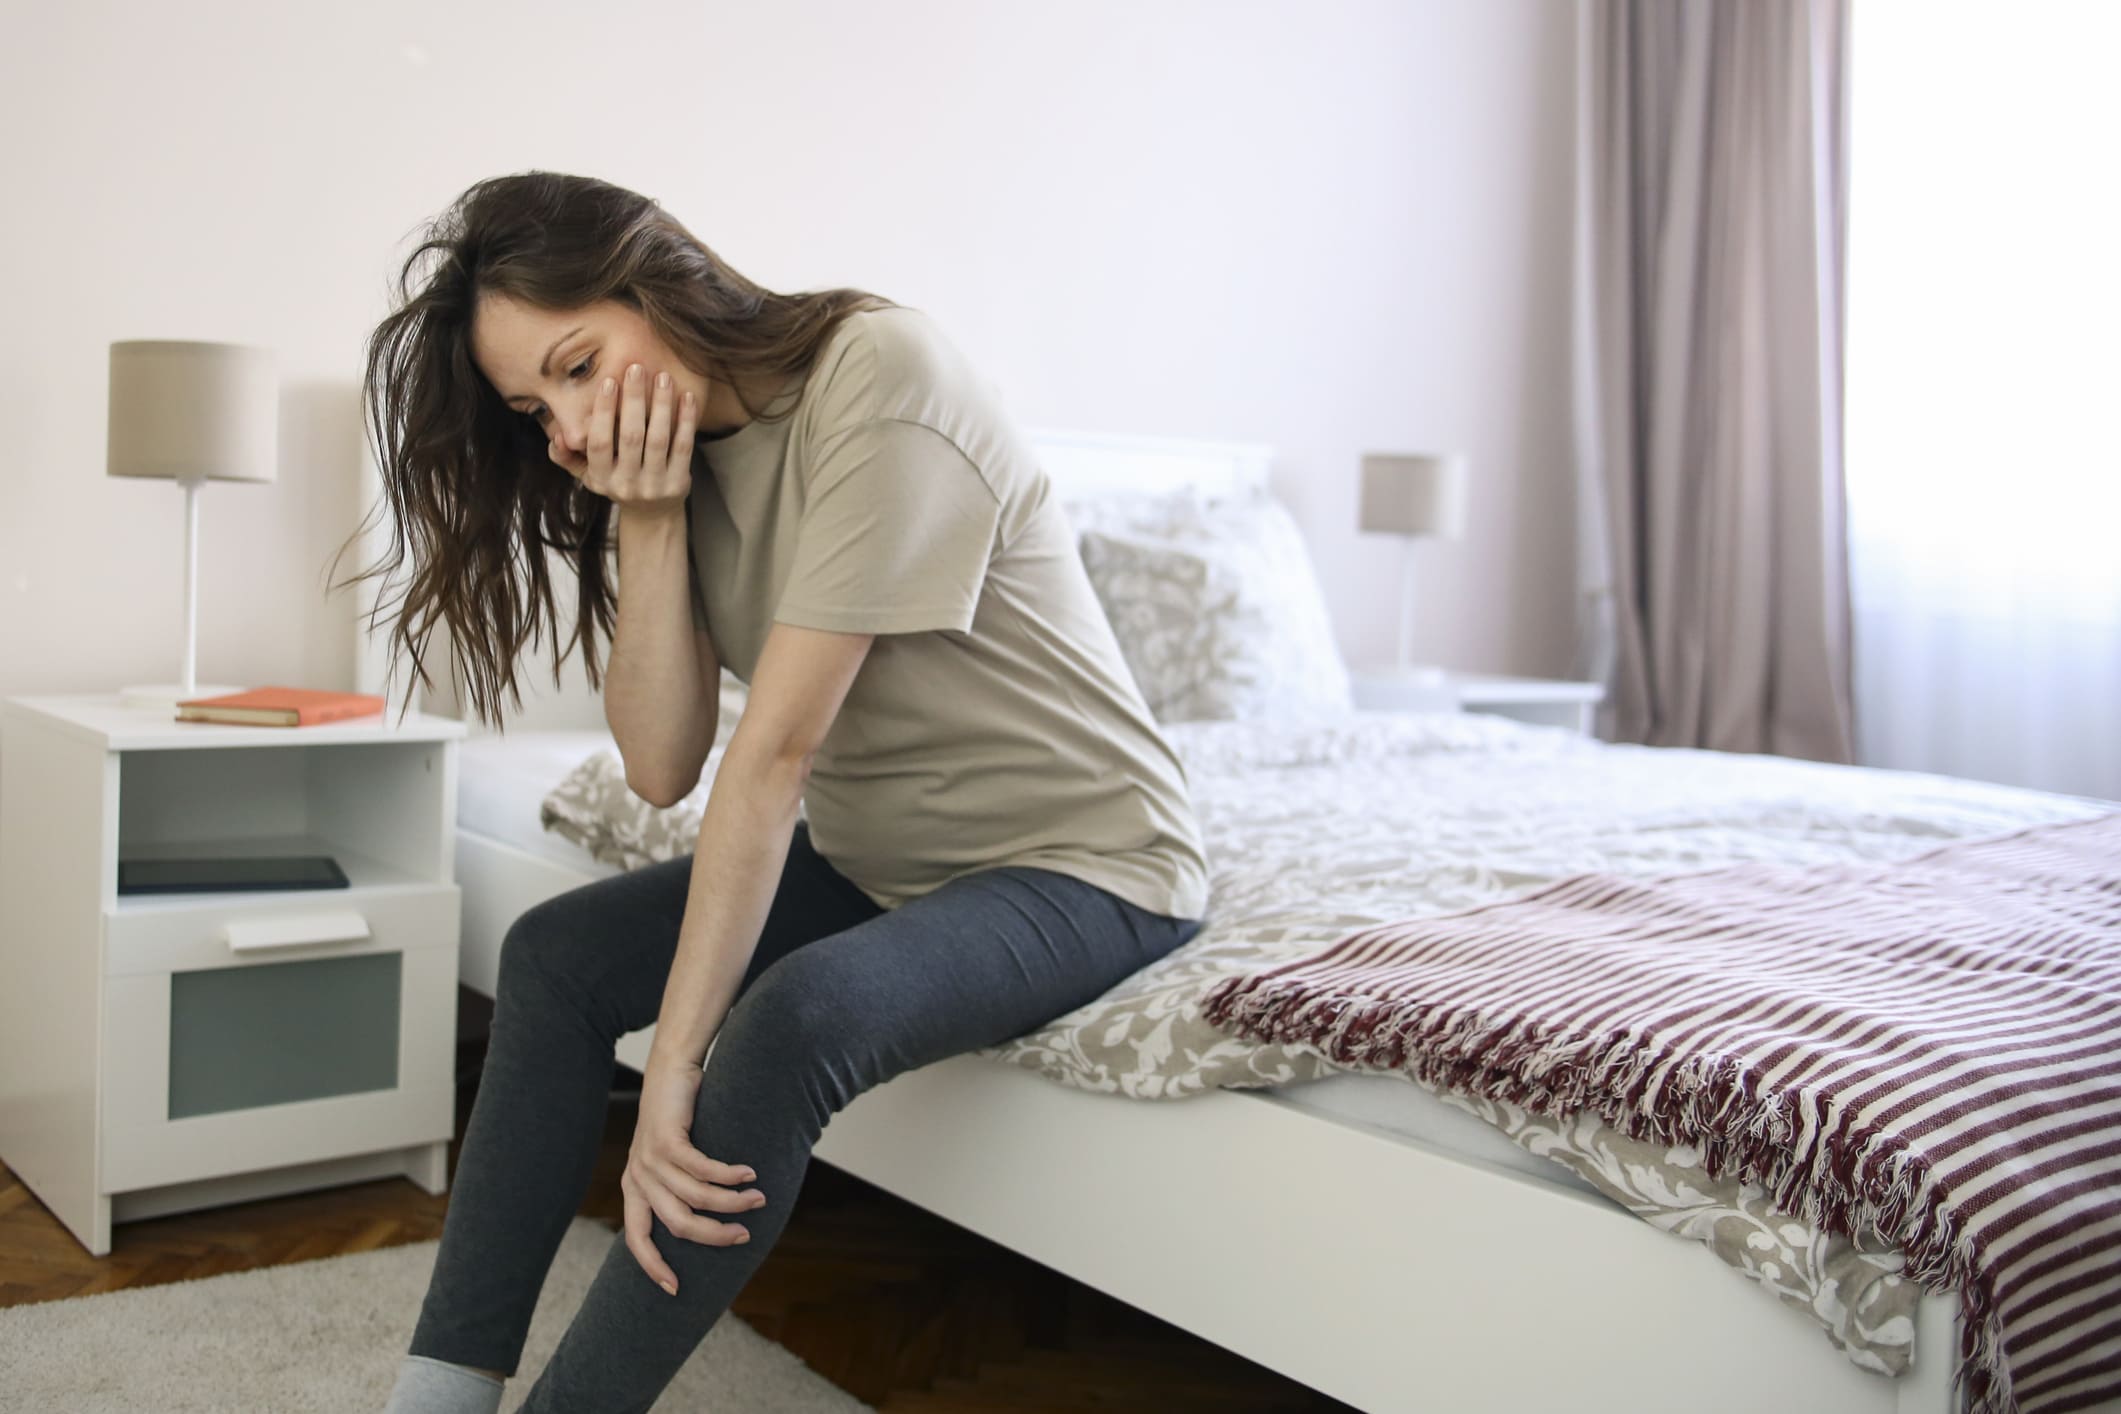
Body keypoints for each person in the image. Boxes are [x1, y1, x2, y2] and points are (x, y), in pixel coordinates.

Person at [343, 171, 1212, 1414]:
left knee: (792, 1015)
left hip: (1085, 861)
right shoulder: (674, 465)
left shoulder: (883, 374)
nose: (572, 432)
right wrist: (645, 521)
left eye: (581, 367)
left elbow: (776, 756)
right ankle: (435, 1398)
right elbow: (659, 765)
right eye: (540, 409)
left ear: (661, 284)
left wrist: (675, 1074)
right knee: (553, 957)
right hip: (878, 862)